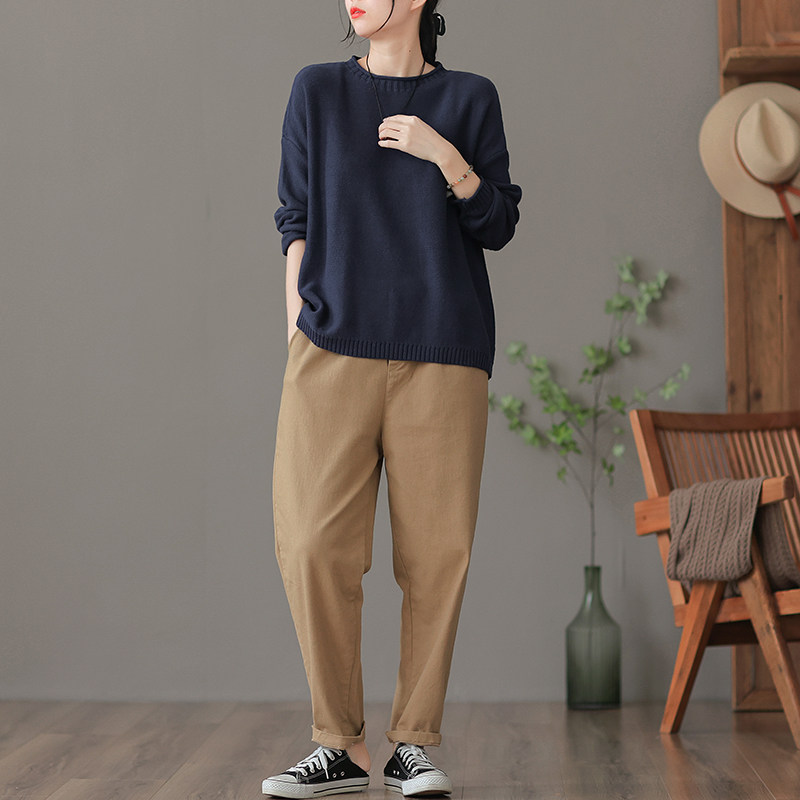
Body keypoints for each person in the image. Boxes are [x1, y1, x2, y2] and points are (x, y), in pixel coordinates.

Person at [263, 1, 522, 797]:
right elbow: (295, 218)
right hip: (331, 349)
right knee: (312, 542)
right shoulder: (316, 90)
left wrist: (443, 155)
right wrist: (298, 327)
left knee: (438, 556)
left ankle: (413, 741)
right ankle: (339, 745)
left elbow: (498, 223)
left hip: (443, 352)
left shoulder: (470, 98)